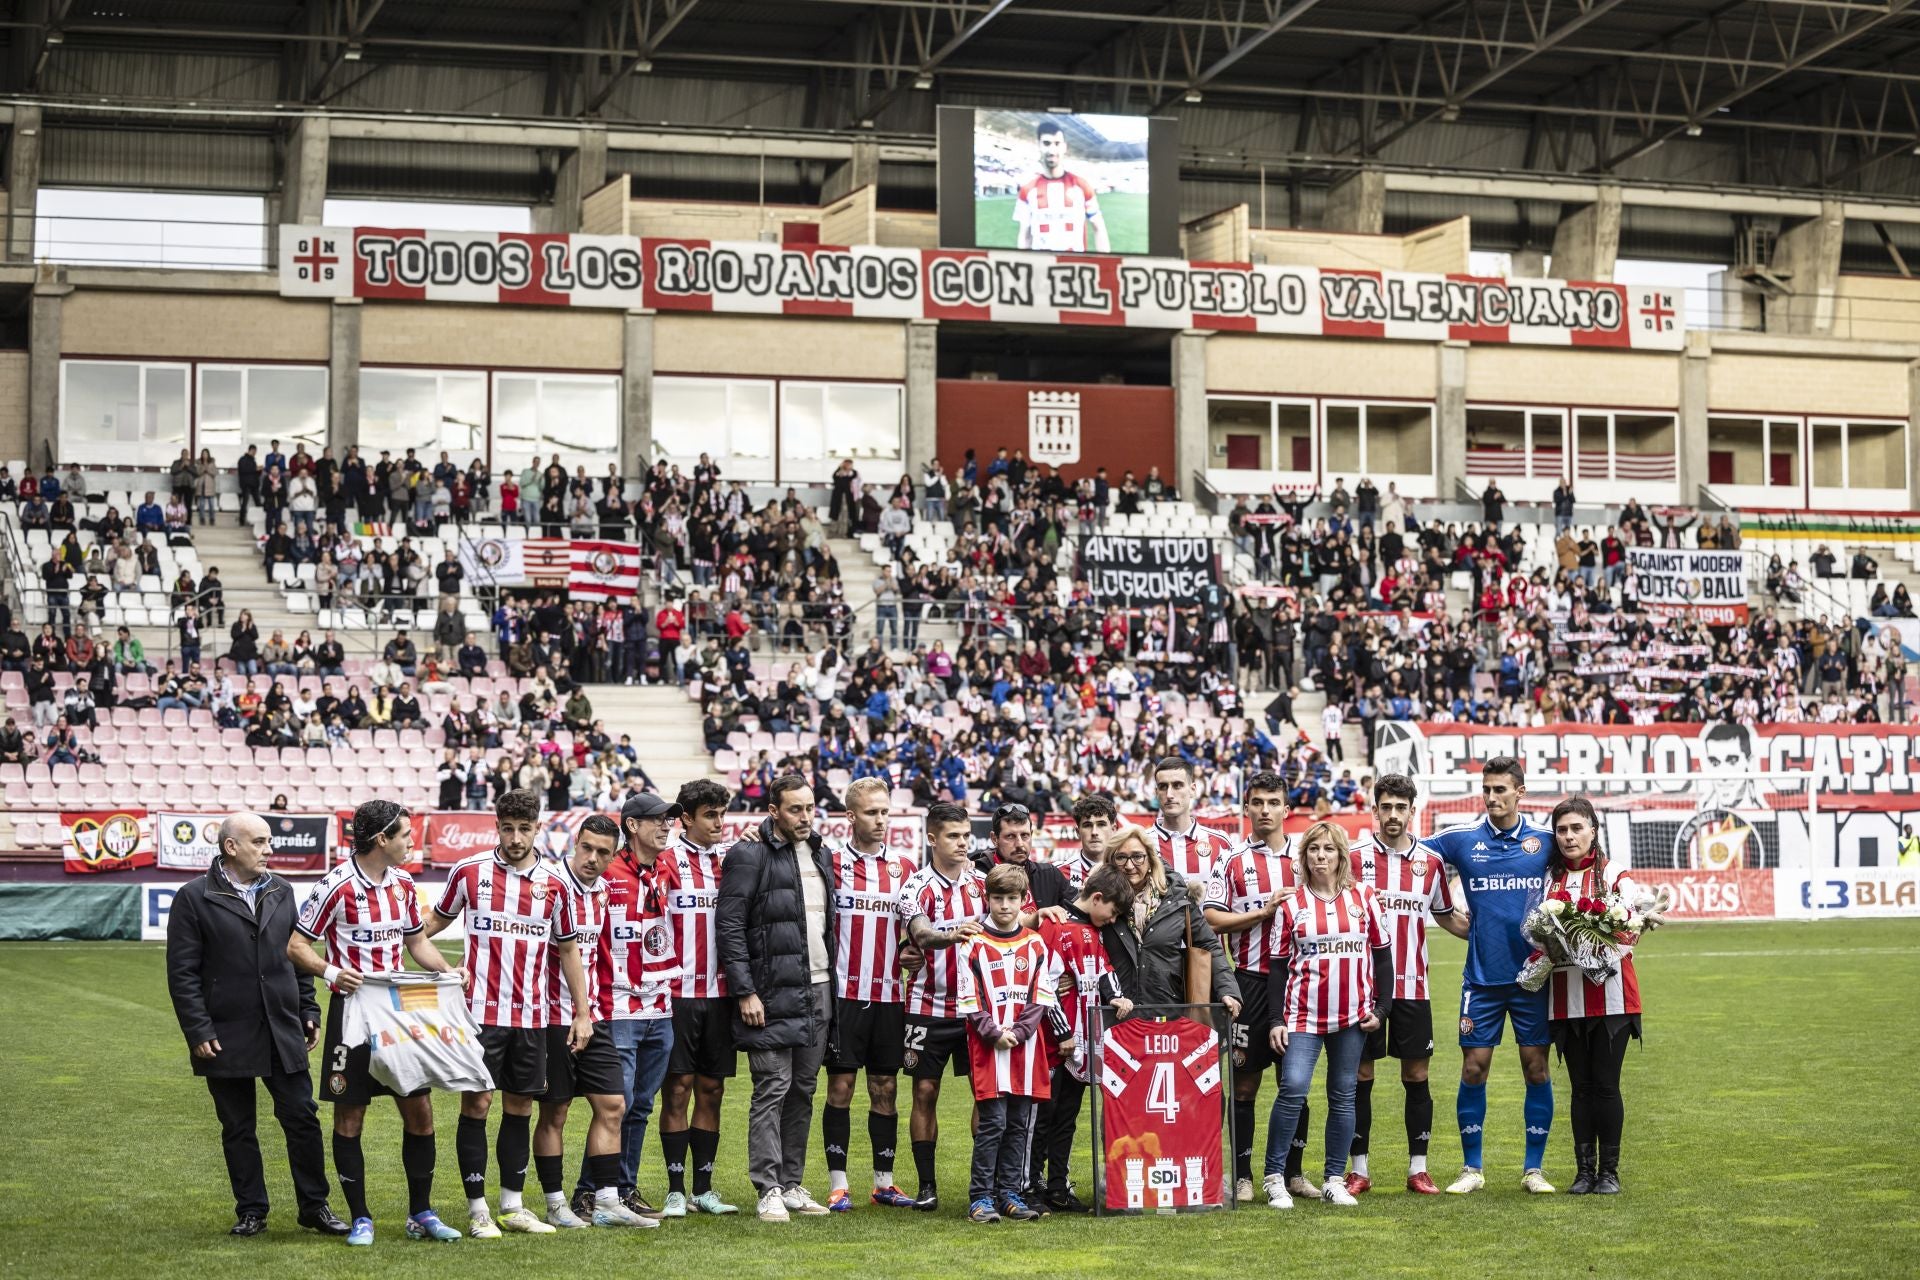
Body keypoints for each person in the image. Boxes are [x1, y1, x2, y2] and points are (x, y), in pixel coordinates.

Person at [286, 799, 464, 1245]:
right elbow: (295, 946)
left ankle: (421, 1213)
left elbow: (416, 942)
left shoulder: (403, 883)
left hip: (400, 1012)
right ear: (381, 838)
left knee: (419, 1111)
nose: (411, 842)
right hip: (354, 1014)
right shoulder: (336, 885)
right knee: (350, 1116)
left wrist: (446, 973)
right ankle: (361, 1217)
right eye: (405, 834)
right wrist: (330, 971)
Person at [166, 813, 349, 1239]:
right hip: (225, 1032)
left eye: (269, 842)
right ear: (231, 847)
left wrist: (308, 1010)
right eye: (260, 842)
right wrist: (198, 1030)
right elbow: (183, 974)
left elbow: (297, 955)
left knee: (303, 1118)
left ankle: (314, 1207)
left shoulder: (282, 889)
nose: (270, 850)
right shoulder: (194, 897)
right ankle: (251, 1210)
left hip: (282, 1026)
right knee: (238, 1127)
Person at [426, 788, 593, 1238]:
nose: (516, 837)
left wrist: (582, 1012)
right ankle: (478, 1209)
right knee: (478, 1103)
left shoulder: (555, 885)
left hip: (532, 1017)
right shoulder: (468, 872)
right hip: (478, 1015)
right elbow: (430, 926)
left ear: (538, 828)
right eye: (508, 828)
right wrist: (390, 942)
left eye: (524, 828)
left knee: (520, 1106)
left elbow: (570, 949)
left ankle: (512, 1206)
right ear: (496, 826)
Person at [1423, 756, 1558, 1195]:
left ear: (1520, 791)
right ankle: (1472, 1169)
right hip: (1480, 980)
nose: (1492, 797)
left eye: (1501, 789)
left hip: (1531, 980)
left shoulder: (1545, 841)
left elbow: (1584, 865)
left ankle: (1534, 1170)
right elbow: (1410, 852)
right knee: (1474, 1068)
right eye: (1487, 789)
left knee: (1535, 1068)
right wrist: (1446, 916)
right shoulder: (1462, 840)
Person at [717, 774, 839, 1222]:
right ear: (774, 811)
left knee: (803, 1091)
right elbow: (729, 927)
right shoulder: (748, 854)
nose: (804, 816)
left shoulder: (821, 852)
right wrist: (745, 991)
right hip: (767, 995)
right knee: (772, 1088)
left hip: (819, 988)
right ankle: (766, 1187)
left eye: (809, 807)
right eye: (795, 809)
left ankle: (791, 1183)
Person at [1345, 774, 1468, 1195]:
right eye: (1386, 807)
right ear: (1374, 810)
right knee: (1360, 1076)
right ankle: (1358, 1170)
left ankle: (1419, 1169)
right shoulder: (1353, 858)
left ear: (1412, 812)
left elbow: (1447, 916)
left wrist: (1493, 934)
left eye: (1401, 807)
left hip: (1414, 988)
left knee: (1416, 1076)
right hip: (1361, 990)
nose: (1393, 815)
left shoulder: (1430, 864)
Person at [1260, 821, 1393, 1209]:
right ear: (1305, 856)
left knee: (1343, 1095)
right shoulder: (1291, 904)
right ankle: (1274, 1177)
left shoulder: (1364, 898)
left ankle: (1335, 1178)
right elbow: (1278, 967)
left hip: (1351, 1018)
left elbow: (1383, 958)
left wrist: (1381, 1009)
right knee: (1293, 1089)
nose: (1321, 856)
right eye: (1314, 849)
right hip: (1302, 1017)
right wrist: (1275, 1020)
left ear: (1341, 855)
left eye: (1329, 849)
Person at [531, 814, 654, 1228]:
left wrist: (594, 1010)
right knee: (556, 1113)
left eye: (603, 852)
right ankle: (554, 1203)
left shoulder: (601, 892)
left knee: (614, 1105)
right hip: (552, 1018)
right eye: (587, 848)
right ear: (574, 843)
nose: (593, 858)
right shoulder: (549, 886)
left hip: (593, 1018)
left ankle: (606, 1201)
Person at [1202, 770, 1314, 1205]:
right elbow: (1211, 919)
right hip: (1248, 982)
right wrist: (1262, 913)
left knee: (1295, 1084)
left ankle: (1292, 1173)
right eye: (1258, 802)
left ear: (1287, 810)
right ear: (1247, 808)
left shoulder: (1308, 858)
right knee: (1245, 1085)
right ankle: (1245, 1174)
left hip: (1298, 987)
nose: (1265, 810)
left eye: (1273, 803)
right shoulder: (1232, 861)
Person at [821, 777, 921, 1211]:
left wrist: (908, 951)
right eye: (871, 812)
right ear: (851, 816)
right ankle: (838, 1184)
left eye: (885, 812)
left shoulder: (904, 868)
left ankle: (884, 1183)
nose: (880, 820)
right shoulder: (829, 863)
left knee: (885, 1087)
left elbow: (911, 929)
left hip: (889, 998)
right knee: (840, 1086)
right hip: (843, 995)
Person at [582, 791, 680, 1220]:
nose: (666, 827)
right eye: (657, 820)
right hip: (617, 1007)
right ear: (632, 826)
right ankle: (589, 1192)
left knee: (640, 1106)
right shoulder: (608, 870)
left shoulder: (667, 867)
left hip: (659, 1006)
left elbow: (715, 854)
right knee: (614, 1106)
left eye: (669, 821)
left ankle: (624, 1189)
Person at [650, 781, 743, 1218]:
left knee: (712, 1089)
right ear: (686, 818)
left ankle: (703, 1188)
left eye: (722, 815)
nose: (719, 823)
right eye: (710, 815)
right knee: (678, 1089)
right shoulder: (665, 863)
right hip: (677, 995)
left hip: (722, 995)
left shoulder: (733, 862)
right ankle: (674, 1188)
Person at [893, 801, 989, 1212]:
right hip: (926, 1005)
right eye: (953, 836)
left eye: (966, 835)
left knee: (984, 1096)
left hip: (975, 1009)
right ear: (932, 838)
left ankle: (982, 1185)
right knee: (925, 1092)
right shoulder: (916, 887)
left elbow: (1020, 920)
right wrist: (951, 937)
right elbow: (920, 933)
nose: (962, 843)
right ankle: (927, 1186)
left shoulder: (983, 884)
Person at [1545, 797, 1642, 1196]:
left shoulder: (1616, 875)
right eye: (1562, 830)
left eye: (1576, 828)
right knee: (1580, 1088)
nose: (1569, 837)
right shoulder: (1548, 879)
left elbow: (1632, 928)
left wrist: (1595, 944)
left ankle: (1610, 1172)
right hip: (1565, 998)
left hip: (1613, 997)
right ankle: (1584, 1172)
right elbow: (1538, 935)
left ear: (1593, 831)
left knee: (1606, 1085)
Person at [1028, 862, 1135, 1213]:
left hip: (1081, 1045)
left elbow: (1103, 969)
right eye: (1113, 911)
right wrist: (1060, 1031)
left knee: (1067, 1118)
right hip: (1054, 1044)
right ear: (1098, 897)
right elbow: (1043, 984)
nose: (1113, 918)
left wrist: (1116, 995)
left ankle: (1058, 1186)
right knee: (1043, 1117)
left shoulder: (1092, 929)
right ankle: (1030, 1185)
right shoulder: (1057, 926)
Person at [955, 863, 1056, 1224]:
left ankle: (1009, 1193)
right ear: (988, 898)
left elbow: (1041, 995)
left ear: (1023, 900)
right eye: (997, 898)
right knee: (993, 1123)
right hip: (989, 1048)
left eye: (1012, 898)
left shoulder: (1035, 943)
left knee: (1018, 1123)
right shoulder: (973, 943)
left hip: (1025, 1050)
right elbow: (969, 999)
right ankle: (980, 1196)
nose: (1004, 905)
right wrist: (994, 1032)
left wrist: (1022, 1032)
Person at [1015, 117, 1110, 252]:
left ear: (1064, 147)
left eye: (1057, 143)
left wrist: (1106, 267)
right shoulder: (1027, 190)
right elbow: (1025, 236)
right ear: (1039, 146)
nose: (1052, 150)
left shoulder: (1082, 187)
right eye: (1046, 143)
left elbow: (1099, 228)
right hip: (1040, 268)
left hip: (1076, 267)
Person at [1152, 756, 1235, 884]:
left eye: (1177, 785)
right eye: (1163, 787)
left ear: (1193, 790)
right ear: (1156, 792)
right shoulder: (1142, 843)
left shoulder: (1221, 843)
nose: (1169, 794)